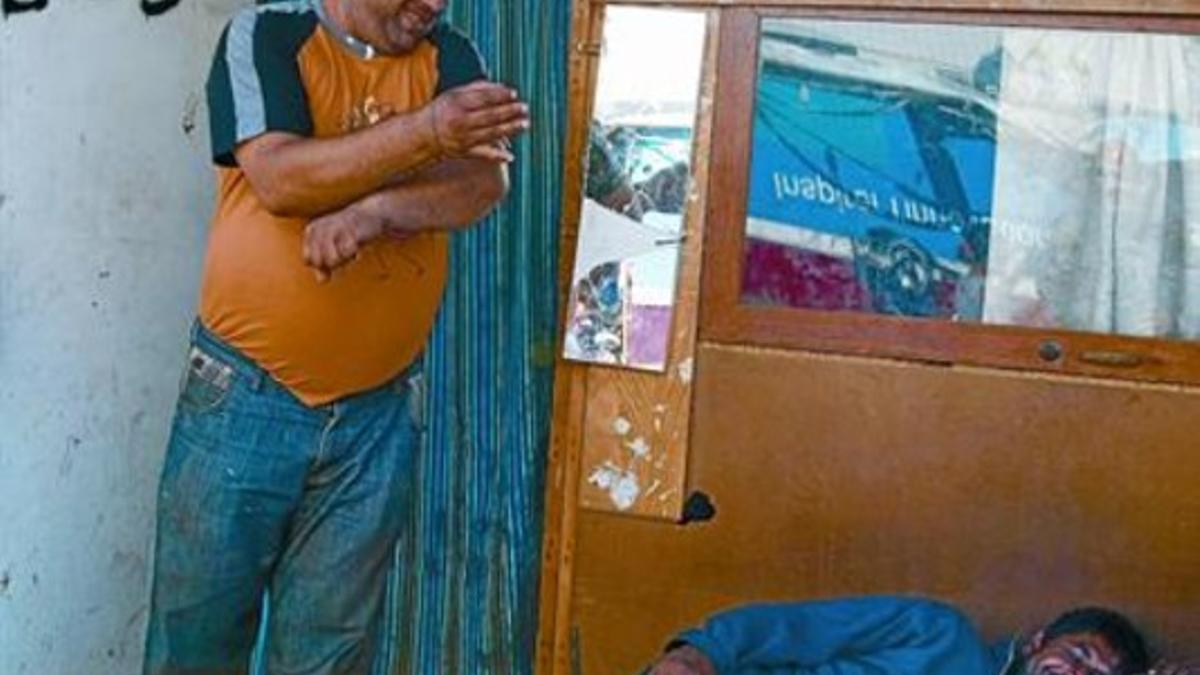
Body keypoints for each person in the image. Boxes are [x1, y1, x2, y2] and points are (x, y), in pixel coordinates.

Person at [142, 0, 529, 672]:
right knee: (196, 643)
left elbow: (482, 182)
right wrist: (431, 130)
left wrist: (377, 211)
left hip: (374, 417)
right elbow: (280, 175)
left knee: (331, 652)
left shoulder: (450, 56)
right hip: (242, 398)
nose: (433, 5)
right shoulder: (270, 33)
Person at [646, 596, 1153, 675]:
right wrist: (696, 657)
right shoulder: (940, 633)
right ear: (1037, 642)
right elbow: (797, 627)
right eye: (1079, 655)